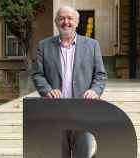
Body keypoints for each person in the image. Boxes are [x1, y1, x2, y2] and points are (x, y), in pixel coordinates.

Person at [32, 5, 107, 158]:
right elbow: (38, 75)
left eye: (70, 18)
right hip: (54, 113)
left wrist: (95, 90)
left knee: (83, 154)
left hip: (82, 112)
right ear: (56, 22)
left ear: (77, 22)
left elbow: (100, 75)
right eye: (61, 18)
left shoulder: (92, 45)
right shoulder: (44, 46)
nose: (66, 22)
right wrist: (47, 90)